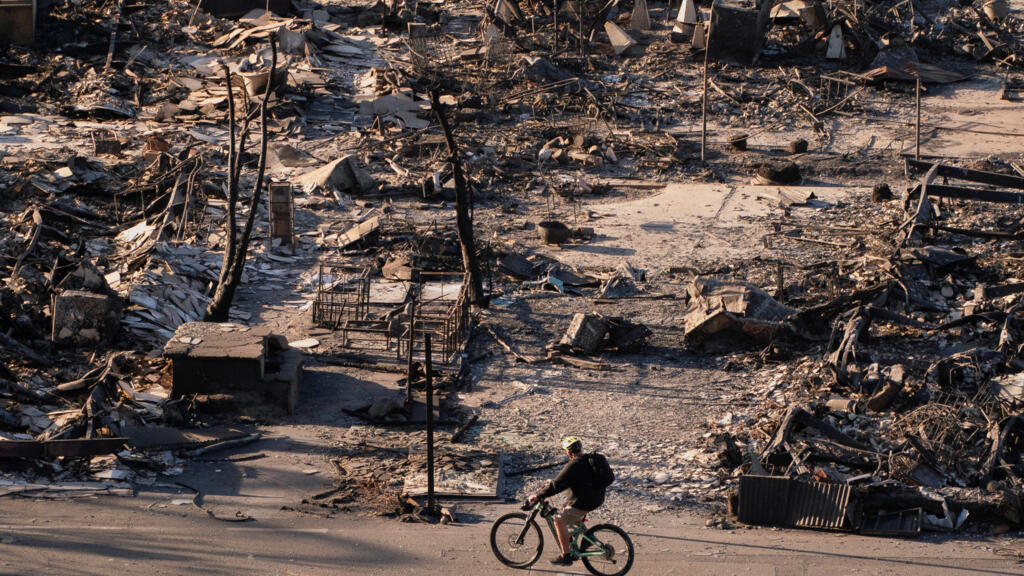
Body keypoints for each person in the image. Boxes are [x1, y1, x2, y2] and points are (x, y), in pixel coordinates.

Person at [527, 436, 605, 566]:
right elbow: (562, 482)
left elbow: (556, 485)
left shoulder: (573, 465)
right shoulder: (589, 459)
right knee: (567, 511)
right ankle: (589, 538)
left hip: (584, 502)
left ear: (568, 453)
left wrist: (538, 495)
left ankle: (566, 556)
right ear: (580, 448)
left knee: (558, 520)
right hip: (596, 498)